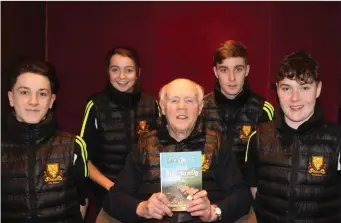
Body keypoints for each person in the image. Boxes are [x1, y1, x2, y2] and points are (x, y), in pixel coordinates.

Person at [102, 78, 252, 223]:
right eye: (174, 100)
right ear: (162, 107)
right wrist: (143, 208)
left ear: (200, 108)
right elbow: (114, 197)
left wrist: (214, 212)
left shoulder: (217, 143)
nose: (182, 107)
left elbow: (242, 195)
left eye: (189, 100)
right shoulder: (144, 144)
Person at [245, 51, 341, 222]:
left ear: (318, 89)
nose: (294, 98)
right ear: (278, 89)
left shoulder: (337, 139)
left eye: (304, 88)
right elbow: (255, 191)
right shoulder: (258, 137)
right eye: (287, 88)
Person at [1, 60, 89, 222]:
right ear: (11, 98)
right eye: (24, 92)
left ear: (51, 100)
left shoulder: (73, 146)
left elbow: (82, 202)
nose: (33, 101)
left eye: (42, 93)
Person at [79, 47, 160, 219]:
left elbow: (164, 150)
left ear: (138, 72)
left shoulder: (152, 104)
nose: (122, 77)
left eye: (128, 70)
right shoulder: (95, 105)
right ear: (108, 72)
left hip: (147, 198)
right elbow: (83, 159)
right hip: (109, 196)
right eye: (115, 69)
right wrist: (112, 188)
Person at [202, 40, 274, 177]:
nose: (232, 78)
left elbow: (269, 161)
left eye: (238, 69)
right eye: (224, 70)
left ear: (247, 70)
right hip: (209, 191)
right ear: (215, 72)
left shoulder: (263, 110)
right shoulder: (200, 108)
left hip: (247, 192)